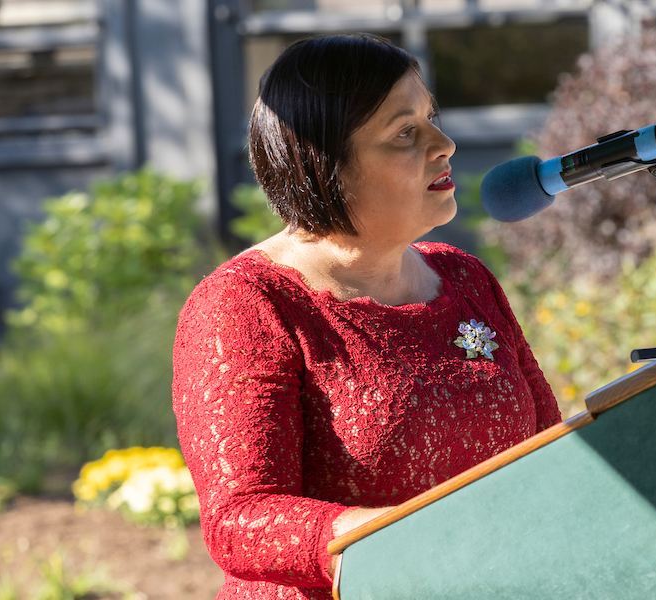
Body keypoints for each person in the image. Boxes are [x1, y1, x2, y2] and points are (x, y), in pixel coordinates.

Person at [172, 33, 560, 600]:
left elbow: (548, 450)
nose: (444, 144)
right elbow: (241, 520)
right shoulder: (246, 305)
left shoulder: (464, 278)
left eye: (432, 118)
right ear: (326, 162)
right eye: (406, 132)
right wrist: (402, 538)